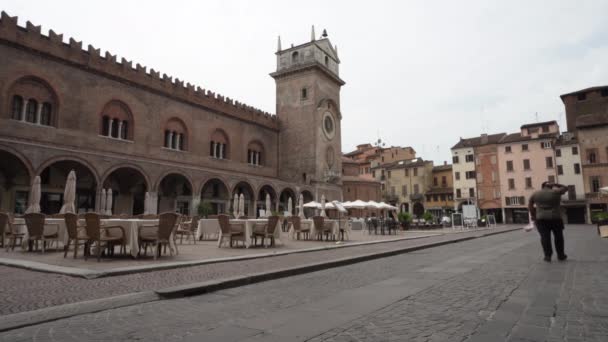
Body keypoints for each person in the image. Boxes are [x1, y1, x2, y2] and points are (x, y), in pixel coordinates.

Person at [528, 181, 568, 262]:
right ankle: (561, 255)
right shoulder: (556, 192)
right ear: (550, 186)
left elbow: (530, 204)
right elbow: (566, 188)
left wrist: (533, 215)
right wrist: (556, 184)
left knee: (545, 237)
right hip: (555, 218)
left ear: (542, 186)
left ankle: (547, 256)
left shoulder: (535, 194)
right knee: (558, 237)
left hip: (541, 219)